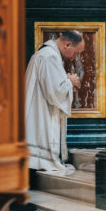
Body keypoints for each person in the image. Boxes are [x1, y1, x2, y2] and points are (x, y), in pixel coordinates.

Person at [25, 30, 85, 171]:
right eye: (76, 53)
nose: (74, 57)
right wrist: (70, 81)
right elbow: (55, 92)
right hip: (41, 110)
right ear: (67, 45)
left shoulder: (47, 54)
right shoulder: (49, 57)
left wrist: (66, 80)